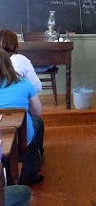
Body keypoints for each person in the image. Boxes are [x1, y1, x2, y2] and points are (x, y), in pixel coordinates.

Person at [0, 29, 45, 162]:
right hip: (20, 132)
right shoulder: (23, 82)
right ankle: (33, 165)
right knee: (36, 122)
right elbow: (37, 111)